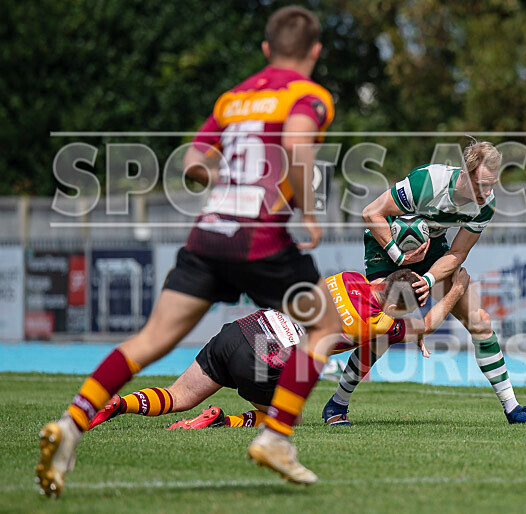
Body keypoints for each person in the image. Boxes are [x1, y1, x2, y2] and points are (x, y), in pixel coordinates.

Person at [36, 5, 340, 496]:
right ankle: (276, 437)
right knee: (325, 328)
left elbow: (194, 163)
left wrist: (226, 178)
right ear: (315, 51)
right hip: (261, 237)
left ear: (265, 49)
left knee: (150, 339)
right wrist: (306, 210)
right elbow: (298, 144)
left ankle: (71, 424)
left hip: (208, 234)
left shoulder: (233, 98)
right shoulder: (309, 95)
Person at [322, 141, 526, 426]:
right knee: (382, 332)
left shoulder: (486, 205)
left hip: (432, 250)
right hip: (387, 249)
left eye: (492, 185)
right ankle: (337, 404)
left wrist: (428, 279)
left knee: (480, 321)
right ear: (465, 173)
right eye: (481, 184)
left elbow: (458, 252)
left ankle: (513, 409)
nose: (486, 193)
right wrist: (400, 256)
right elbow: (372, 213)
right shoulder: (429, 183)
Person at [87, 269, 470, 431]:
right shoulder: (380, 322)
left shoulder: (347, 277)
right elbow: (428, 324)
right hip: (265, 359)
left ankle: (118, 405)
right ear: (395, 306)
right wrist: (456, 288)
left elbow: (380, 283)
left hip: (241, 330)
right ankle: (222, 420)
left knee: (178, 396)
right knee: (287, 419)